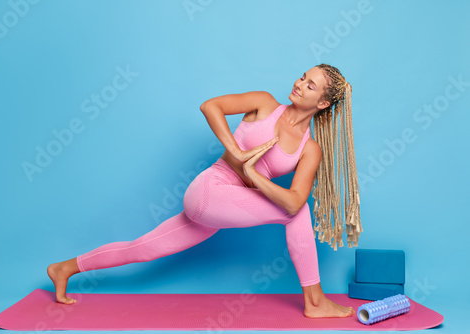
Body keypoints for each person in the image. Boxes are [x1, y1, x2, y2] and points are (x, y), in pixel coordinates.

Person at [47, 64, 362, 318]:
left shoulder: (310, 150)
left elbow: (293, 201)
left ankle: (64, 268)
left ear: (322, 103)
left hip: (222, 209)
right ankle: (315, 301)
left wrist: (253, 175)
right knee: (298, 214)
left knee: (143, 247)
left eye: (310, 85)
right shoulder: (264, 103)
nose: (299, 83)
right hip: (209, 190)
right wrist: (237, 155)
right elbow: (210, 106)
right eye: (303, 76)